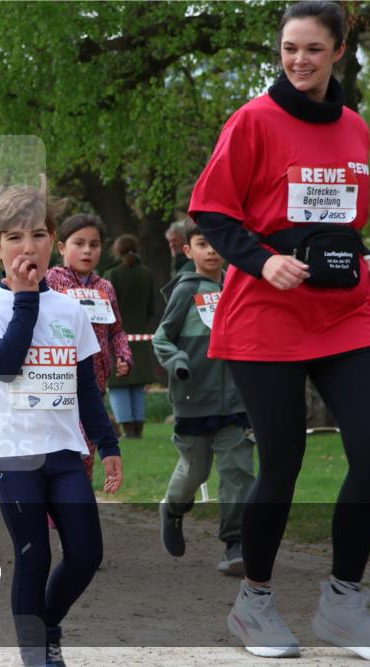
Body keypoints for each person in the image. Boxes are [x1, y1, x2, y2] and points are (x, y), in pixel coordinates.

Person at [189, 2, 370, 660]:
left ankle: (343, 603)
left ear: (339, 49)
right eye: (290, 48)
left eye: (314, 48)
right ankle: (253, 602)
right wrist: (263, 260)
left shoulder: (354, 128)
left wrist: (365, 263)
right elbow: (213, 210)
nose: (300, 60)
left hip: (343, 312)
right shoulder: (254, 120)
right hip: (265, 314)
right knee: (281, 461)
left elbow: (336, 220)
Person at [0, 178, 123, 666]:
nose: (26, 246)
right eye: (13, 238)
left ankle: (46, 625)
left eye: (36, 234)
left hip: (62, 450)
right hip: (11, 453)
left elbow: (86, 389)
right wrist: (25, 296)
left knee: (85, 554)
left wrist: (109, 444)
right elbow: (7, 364)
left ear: (52, 239)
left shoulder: (70, 310)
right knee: (34, 555)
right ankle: (36, 653)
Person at [152, 222, 255, 576]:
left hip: (237, 401)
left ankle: (235, 544)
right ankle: (174, 509)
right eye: (202, 243)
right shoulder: (185, 291)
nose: (211, 250)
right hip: (194, 396)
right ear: (188, 251)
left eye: (215, 244)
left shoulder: (239, 286)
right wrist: (179, 362)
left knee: (238, 471)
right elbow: (161, 339)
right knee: (195, 471)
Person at [46, 213, 133, 478]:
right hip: (56, 381)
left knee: (87, 450)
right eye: (79, 243)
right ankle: (53, 511)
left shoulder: (105, 287)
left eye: (94, 245)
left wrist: (124, 356)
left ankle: (71, 511)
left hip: (94, 383)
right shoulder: (51, 281)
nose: (87, 250)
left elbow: (116, 330)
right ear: (61, 247)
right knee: (63, 451)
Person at [103, 234, 158, 438]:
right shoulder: (147, 274)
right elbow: (152, 307)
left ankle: (127, 431)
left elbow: (105, 308)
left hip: (117, 337)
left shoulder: (111, 275)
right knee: (137, 384)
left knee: (119, 384)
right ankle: (138, 429)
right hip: (141, 337)